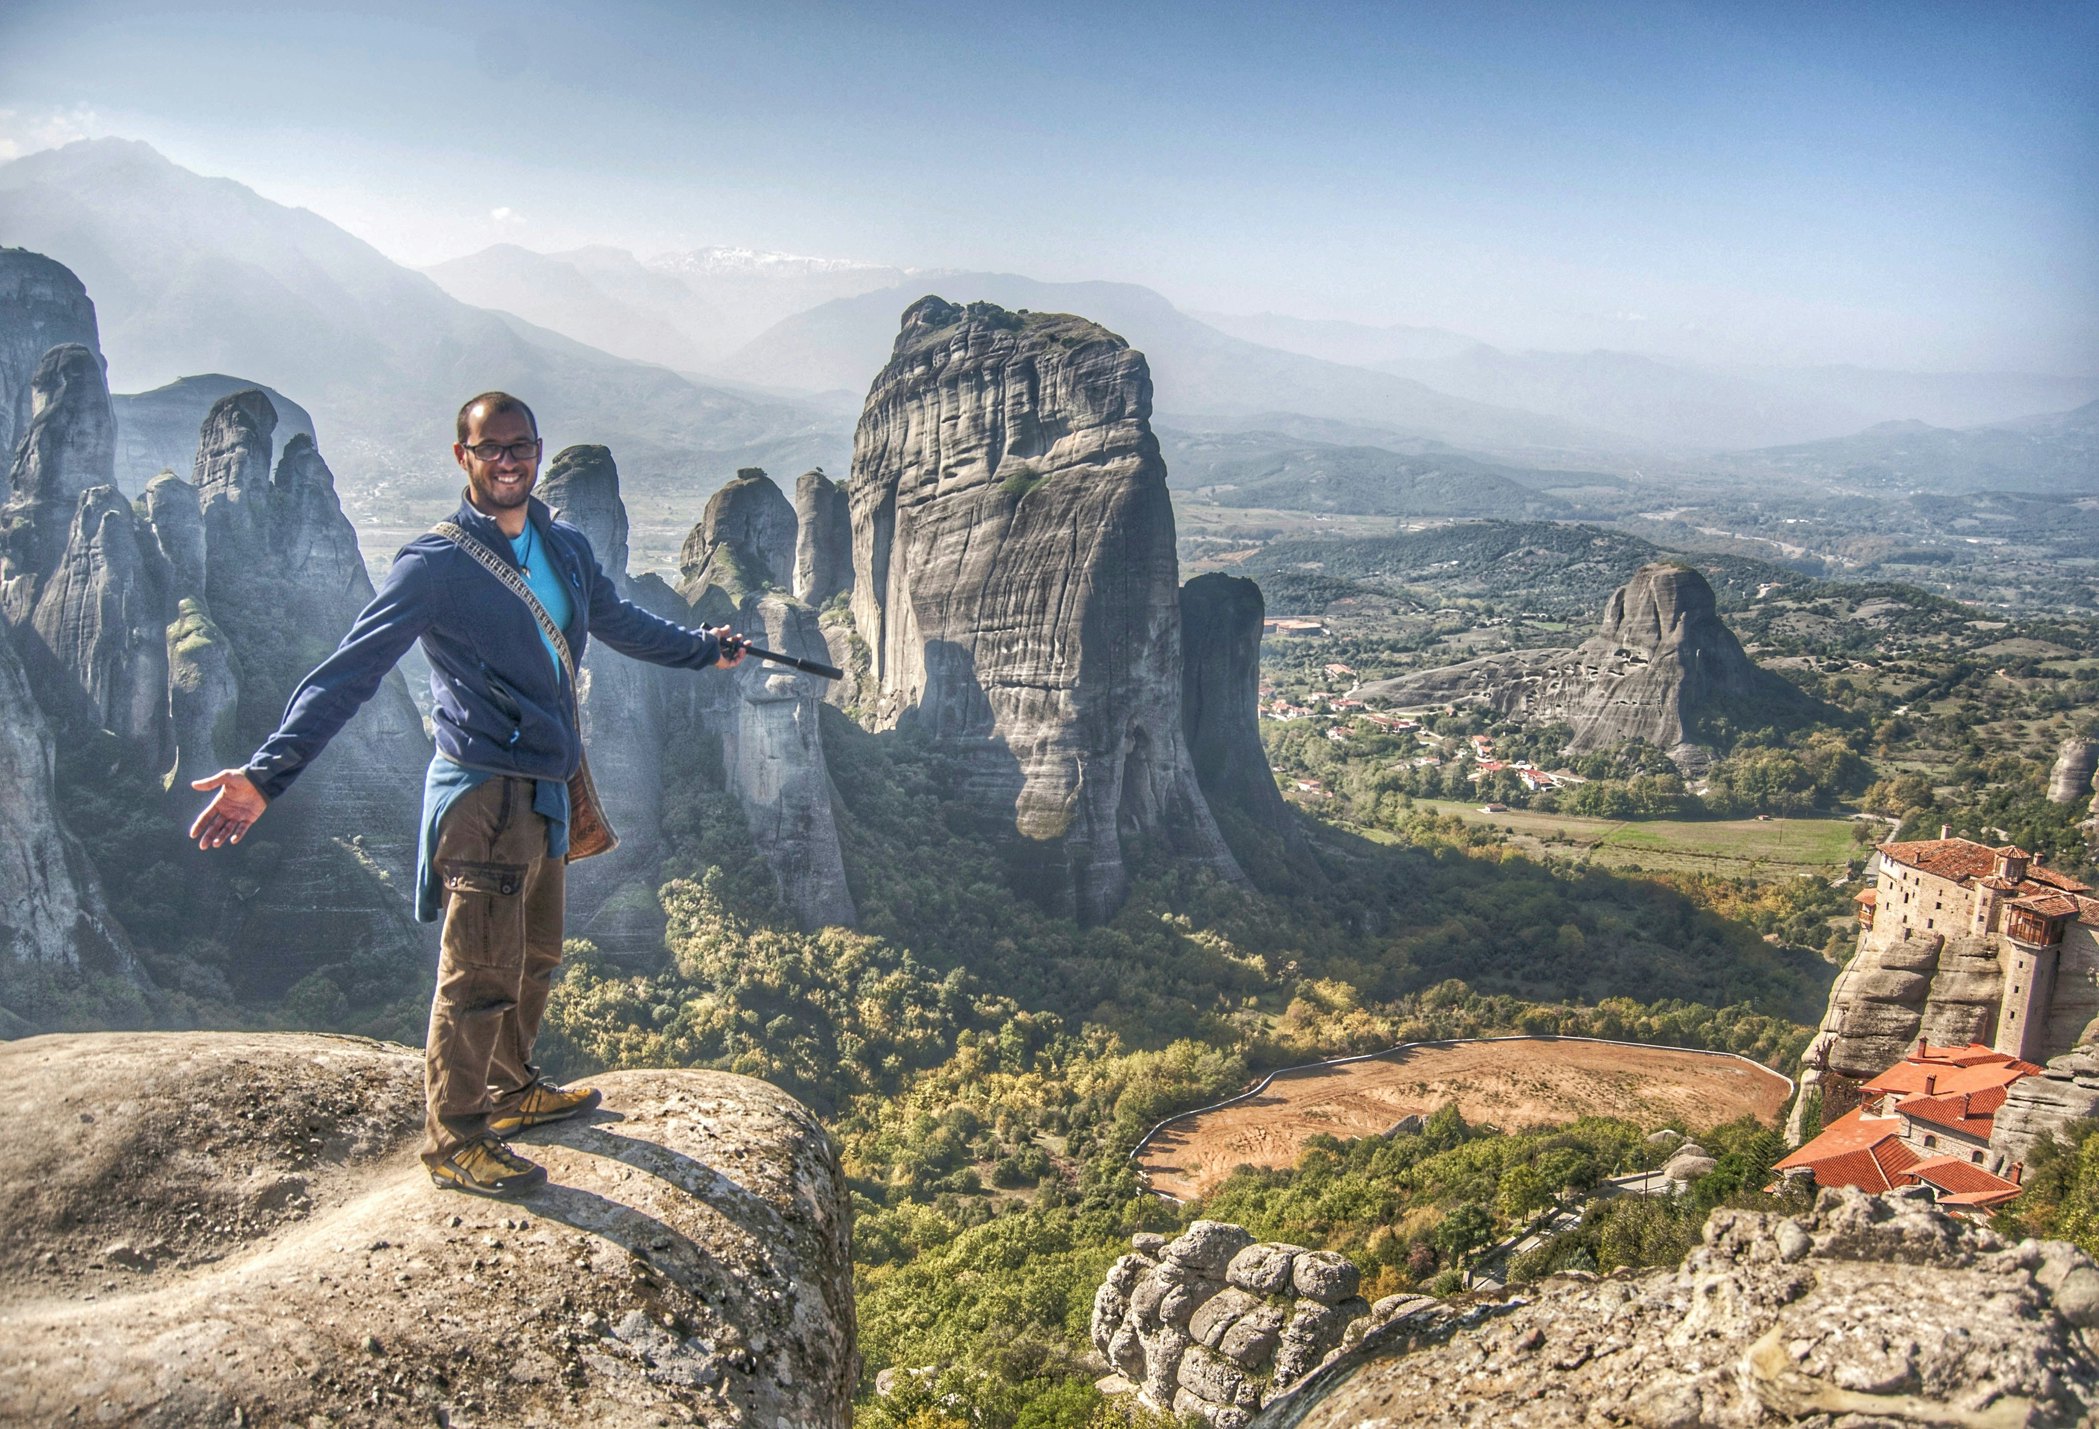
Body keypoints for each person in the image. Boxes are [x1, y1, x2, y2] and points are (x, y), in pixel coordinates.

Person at [189, 392, 745, 1198]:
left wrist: (701, 649)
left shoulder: (565, 546)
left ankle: (512, 1091)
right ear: (464, 457)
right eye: (492, 449)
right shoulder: (436, 563)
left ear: (538, 450)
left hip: (551, 786)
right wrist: (266, 774)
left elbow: (621, 622)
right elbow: (350, 671)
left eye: (521, 446)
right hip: (484, 794)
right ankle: (456, 1138)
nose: (509, 460)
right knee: (479, 971)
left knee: (537, 954)